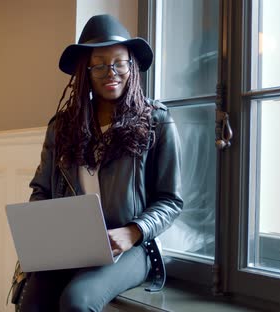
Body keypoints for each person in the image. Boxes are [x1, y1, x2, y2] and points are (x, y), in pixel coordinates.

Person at [18, 14, 183, 312]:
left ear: (131, 66)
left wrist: (133, 231)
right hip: (70, 245)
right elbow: (41, 189)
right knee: (31, 302)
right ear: (86, 71)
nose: (112, 72)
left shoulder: (157, 121)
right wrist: (40, 234)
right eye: (100, 63)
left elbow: (170, 200)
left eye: (120, 62)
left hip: (132, 247)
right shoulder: (62, 127)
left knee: (76, 301)